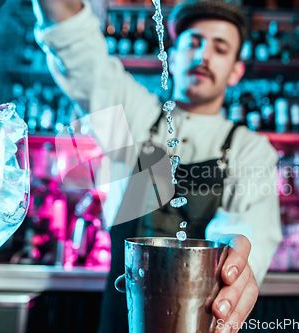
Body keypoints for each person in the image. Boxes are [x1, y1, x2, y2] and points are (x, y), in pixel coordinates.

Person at [32, 0, 282, 332]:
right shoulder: (135, 119)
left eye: (220, 49)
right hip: (122, 313)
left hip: (200, 319)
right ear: (173, 55)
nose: (203, 55)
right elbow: (78, 52)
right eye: (193, 42)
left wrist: (232, 259)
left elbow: (251, 229)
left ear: (236, 71)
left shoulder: (249, 149)